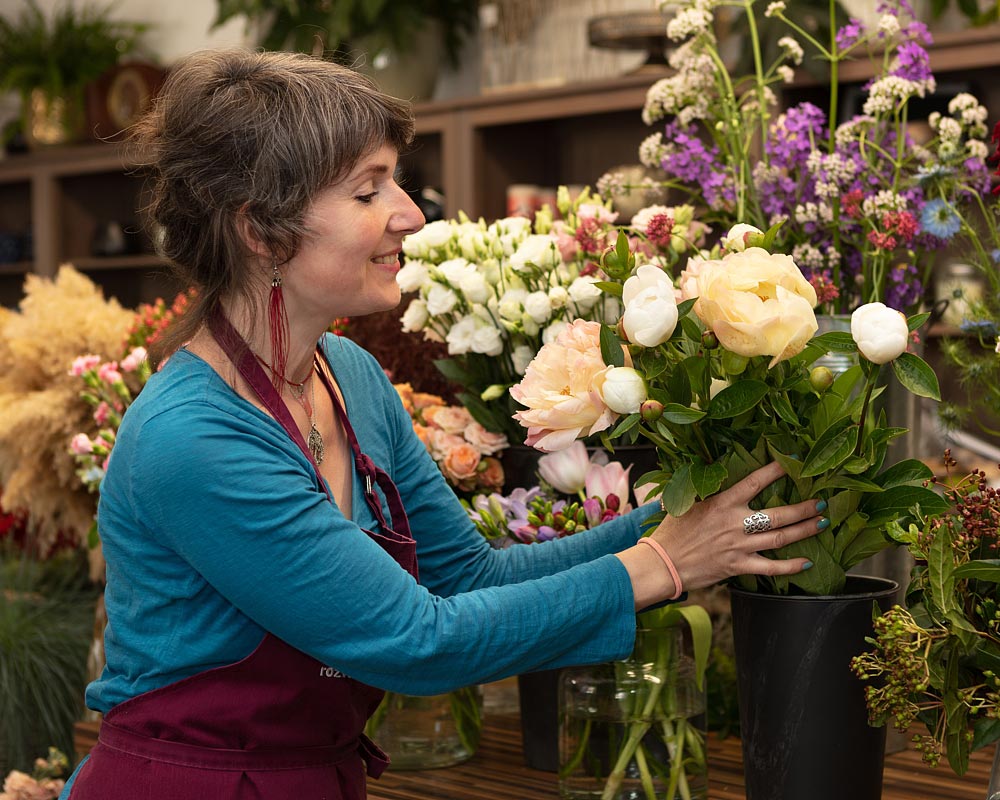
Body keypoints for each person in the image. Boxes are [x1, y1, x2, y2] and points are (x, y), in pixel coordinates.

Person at [60, 49, 825, 800]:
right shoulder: (196, 439)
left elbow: (468, 577)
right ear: (260, 230)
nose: (411, 215)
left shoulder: (348, 376)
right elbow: (415, 640)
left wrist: (694, 515)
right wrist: (665, 564)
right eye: (368, 192)